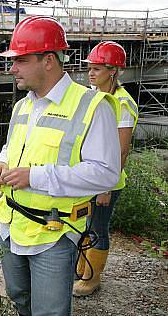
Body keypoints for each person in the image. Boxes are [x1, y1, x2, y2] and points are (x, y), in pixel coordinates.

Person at [0, 16, 121, 316]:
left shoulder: (92, 106)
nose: (12, 68)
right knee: (20, 296)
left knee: (49, 311)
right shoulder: (23, 105)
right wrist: (1, 163)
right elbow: (12, 147)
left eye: (20, 60)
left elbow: (106, 173)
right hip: (11, 225)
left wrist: (35, 176)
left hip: (54, 233)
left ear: (48, 60)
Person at [73, 41, 138, 296]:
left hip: (106, 182)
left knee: (98, 227)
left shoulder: (121, 103)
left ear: (113, 70)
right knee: (85, 225)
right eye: (90, 68)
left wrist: (106, 187)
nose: (91, 73)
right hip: (88, 176)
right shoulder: (93, 96)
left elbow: (121, 150)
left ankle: (92, 278)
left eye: (97, 69)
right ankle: (81, 268)